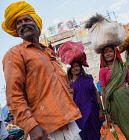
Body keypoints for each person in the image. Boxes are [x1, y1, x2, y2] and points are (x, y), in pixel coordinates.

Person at [2, 1, 82, 140]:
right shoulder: (15, 53)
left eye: (27, 19)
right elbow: (14, 95)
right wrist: (31, 126)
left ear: (36, 23)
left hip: (67, 122)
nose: (23, 24)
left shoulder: (48, 52)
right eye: (18, 22)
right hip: (43, 130)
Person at [99, 45, 129, 140]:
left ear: (115, 53)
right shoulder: (102, 71)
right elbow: (103, 92)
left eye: (110, 51)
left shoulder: (123, 67)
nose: (108, 54)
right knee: (121, 127)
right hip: (113, 102)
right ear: (103, 55)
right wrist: (106, 111)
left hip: (126, 99)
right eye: (106, 52)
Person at [68, 61, 104, 140]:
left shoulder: (87, 78)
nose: (75, 68)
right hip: (80, 115)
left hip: (92, 112)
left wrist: (101, 110)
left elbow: (96, 93)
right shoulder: (68, 84)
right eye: (73, 67)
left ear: (80, 67)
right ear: (70, 69)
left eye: (77, 66)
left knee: (97, 134)